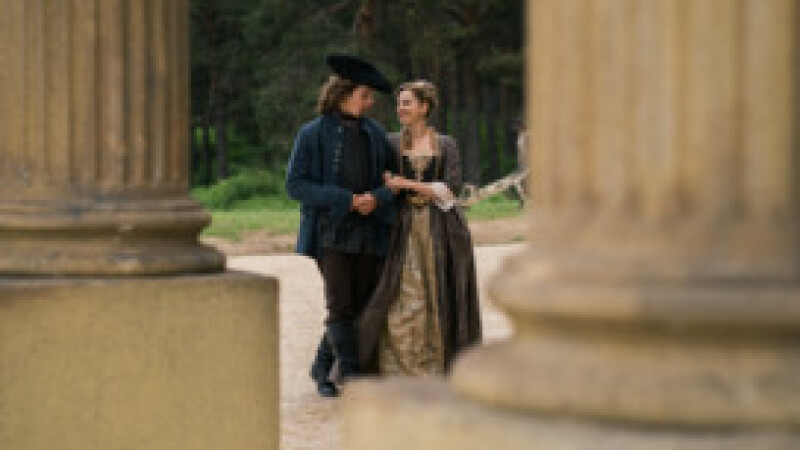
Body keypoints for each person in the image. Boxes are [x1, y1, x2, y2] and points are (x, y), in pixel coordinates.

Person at [286, 55, 396, 397]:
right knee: (340, 303)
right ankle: (349, 373)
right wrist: (345, 199)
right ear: (344, 94)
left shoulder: (376, 133)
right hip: (329, 232)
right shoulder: (311, 133)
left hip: (369, 230)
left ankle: (322, 368)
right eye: (365, 95)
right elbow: (296, 185)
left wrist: (376, 198)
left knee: (359, 302)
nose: (371, 102)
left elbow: (393, 181)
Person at [358, 80, 482, 376]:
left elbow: (450, 190)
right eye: (399, 103)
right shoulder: (390, 143)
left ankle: (438, 364)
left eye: (407, 103)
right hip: (401, 228)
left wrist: (406, 183)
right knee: (400, 295)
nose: (400, 108)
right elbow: (381, 180)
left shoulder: (446, 144)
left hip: (441, 229)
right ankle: (397, 366)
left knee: (438, 293)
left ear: (424, 107)